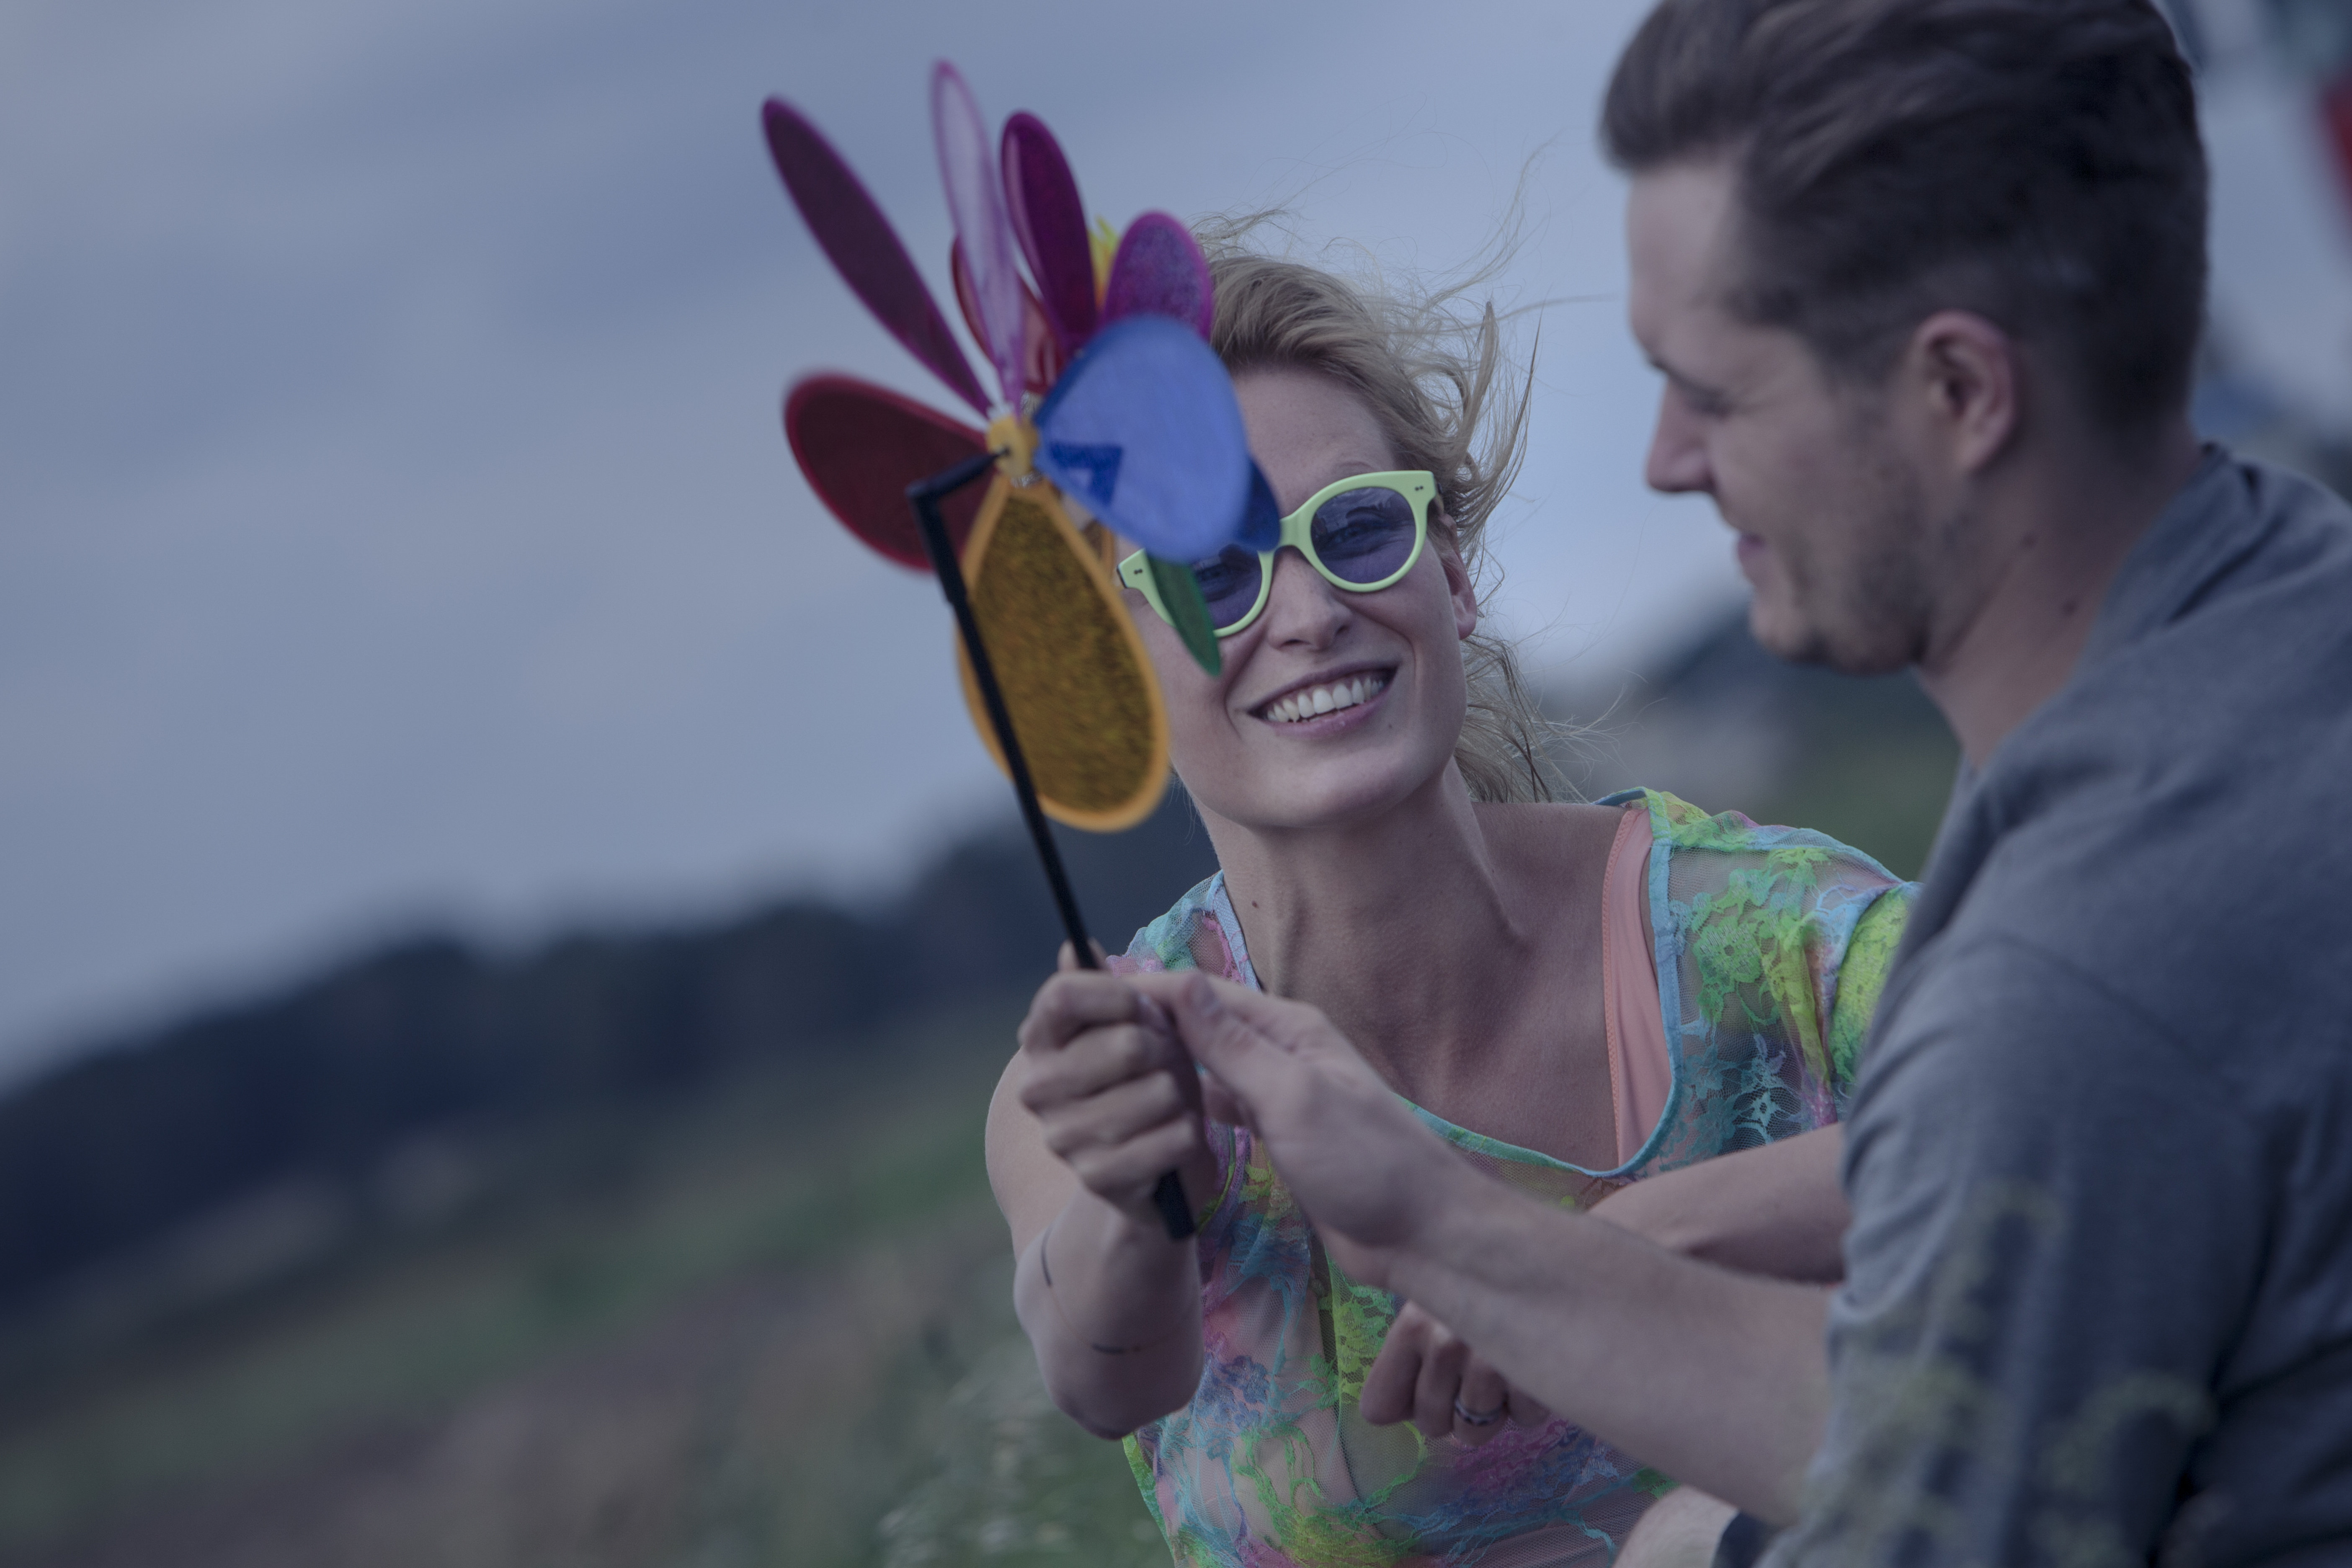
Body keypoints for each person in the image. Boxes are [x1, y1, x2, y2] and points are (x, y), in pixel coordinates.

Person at [1117, 0, 2352, 1563]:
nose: (1665, 460)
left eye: (1717, 387)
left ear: (1961, 393)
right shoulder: (2280, 633)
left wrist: (1462, 1239)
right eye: (1209, 574)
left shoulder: (2086, 942)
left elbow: (1948, 1478)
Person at [987, 234, 1914, 1566]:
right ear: (1112, 675)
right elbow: (1104, 1374)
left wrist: (1626, 1245)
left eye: (1355, 530)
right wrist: (1145, 1201)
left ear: (1453, 575)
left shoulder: (1744, 933)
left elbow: (2089, 1085)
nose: (1307, 612)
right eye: (1212, 577)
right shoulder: (1095, 1079)